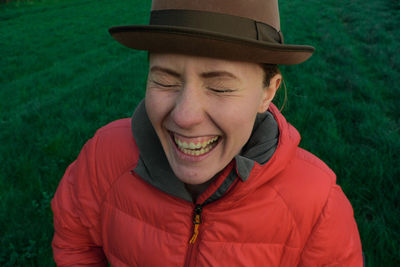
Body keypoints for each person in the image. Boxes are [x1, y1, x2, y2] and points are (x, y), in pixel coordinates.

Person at [51, 0, 363, 266]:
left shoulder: (317, 208)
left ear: (268, 92)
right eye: (165, 80)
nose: (185, 116)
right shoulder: (102, 158)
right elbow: (75, 243)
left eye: (220, 87)